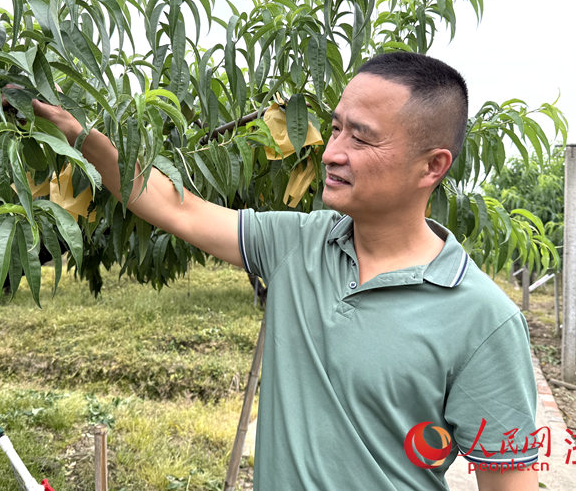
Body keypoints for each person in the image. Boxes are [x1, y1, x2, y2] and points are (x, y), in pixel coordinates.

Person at [32, 52, 540, 490]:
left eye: (361, 139)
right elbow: (176, 208)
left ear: (432, 166)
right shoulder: (298, 243)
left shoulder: (482, 320)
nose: (333, 151)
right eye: (337, 127)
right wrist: (78, 133)